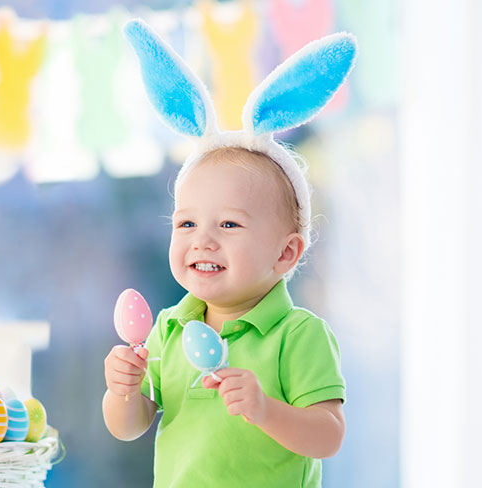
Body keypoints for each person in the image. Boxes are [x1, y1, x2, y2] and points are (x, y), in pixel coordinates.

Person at [102, 19, 357, 487]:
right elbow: (130, 426)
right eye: (186, 223)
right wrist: (122, 392)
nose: (202, 239)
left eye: (229, 224)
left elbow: (328, 436)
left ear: (285, 254)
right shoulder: (169, 329)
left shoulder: (298, 335)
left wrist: (265, 409)